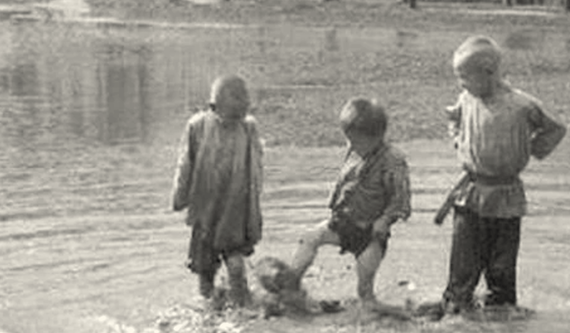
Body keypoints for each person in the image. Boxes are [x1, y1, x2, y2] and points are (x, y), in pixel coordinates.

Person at [436, 35, 567, 315]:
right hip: (470, 192)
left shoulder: (521, 105)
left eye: (465, 77)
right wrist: (458, 141)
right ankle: (456, 303)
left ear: (489, 73)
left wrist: (530, 149)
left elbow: (555, 128)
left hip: (507, 195)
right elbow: (453, 119)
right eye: (459, 77)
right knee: (464, 257)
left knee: (502, 263)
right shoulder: (466, 99)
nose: (461, 83)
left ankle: (501, 308)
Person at [283, 98, 411, 308]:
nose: (351, 146)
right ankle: (290, 285)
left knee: (365, 293)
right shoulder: (355, 149)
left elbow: (401, 199)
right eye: (348, 140)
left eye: (356, 142)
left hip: (370, 235)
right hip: (343, 223)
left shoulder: (393, 160)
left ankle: (380, 310)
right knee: (309, 237)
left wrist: (385, 220)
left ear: (377, 137)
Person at [172, 75, 263, 307]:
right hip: (205, 213)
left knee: (235, 265)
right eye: (230, 117)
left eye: (240, 116)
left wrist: (254, 212)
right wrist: (180, 197)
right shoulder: (198, 126)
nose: (235, 123)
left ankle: (241, 304)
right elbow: (185, 164)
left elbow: (256, 169)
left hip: (235, 212)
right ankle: (208, 305)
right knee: (205, 270)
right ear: (213, 108)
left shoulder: (249, 128)